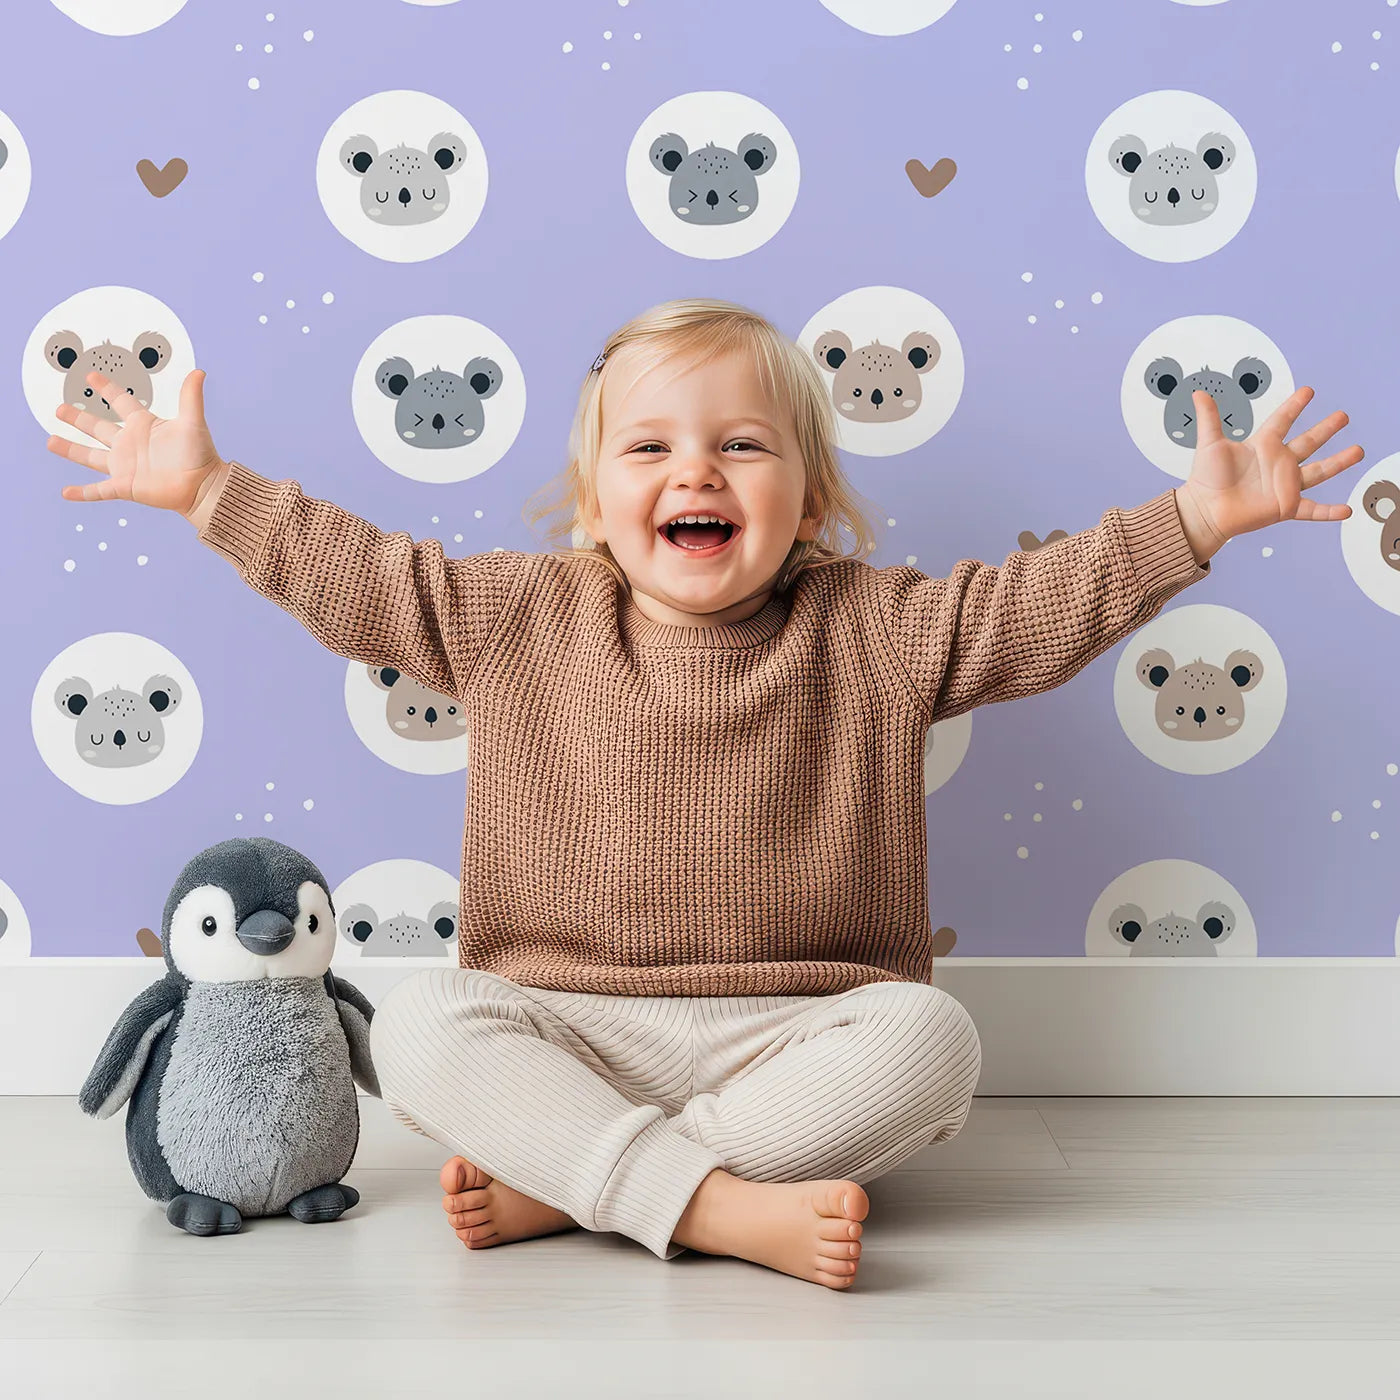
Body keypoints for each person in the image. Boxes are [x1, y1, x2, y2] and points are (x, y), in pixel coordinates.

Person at [45, 298, 1361, 1289]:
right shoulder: (519, 615)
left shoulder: (879, 627)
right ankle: (723, 1206)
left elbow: (1037, 606)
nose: (698, 473)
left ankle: (583, 1185)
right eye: (651, 448)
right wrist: (211, 492)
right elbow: (360, 575)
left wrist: (1189, 523)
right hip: (563, 1024)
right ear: (591, 505)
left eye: (743, 445)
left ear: (810, 504)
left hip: (802, 1034)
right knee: (424, 1025)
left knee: (935, 1043)